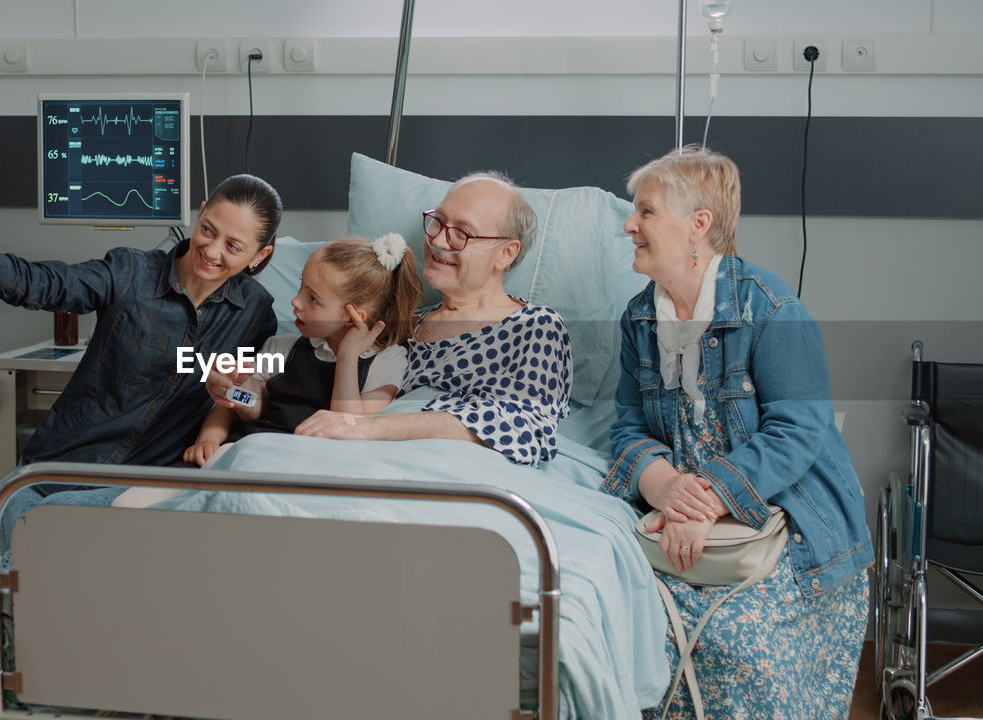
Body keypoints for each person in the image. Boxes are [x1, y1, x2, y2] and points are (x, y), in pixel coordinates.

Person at [600, 146, 871, 718]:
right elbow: (627, 426)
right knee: (632, 632)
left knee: (740, 648)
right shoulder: (639, 319)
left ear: (699, 223)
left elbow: (797, 432)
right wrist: (668, 489)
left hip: (788, 526)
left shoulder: (771, 307)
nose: (629, 224)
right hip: (686, 520)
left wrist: (706, 501)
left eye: (645, 211)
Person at [0, 174, 283, 555]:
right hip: (71, 460)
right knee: (15, 510)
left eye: (233, 246)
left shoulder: (256, 313)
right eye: (208, 230)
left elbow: (246, 398)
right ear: (199, 214)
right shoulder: (130, 272)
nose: (212, 250)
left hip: (154, 480)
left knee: (50, 520)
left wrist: (230, 391)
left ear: (259, 256)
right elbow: (43, 283)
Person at [286, 171, 573, 467]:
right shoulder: (401, 326)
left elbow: (527, 427)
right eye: (438, 221)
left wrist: (366, 428)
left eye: (461, 232)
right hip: (374, 462)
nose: (437, 239)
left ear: (506, 253)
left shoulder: (537, 326)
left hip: (465, 471)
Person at [181, 233, 423, 468]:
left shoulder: (388, 362)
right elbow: (245, 403)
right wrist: (212, 433)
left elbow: (350, 430)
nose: (295, 302)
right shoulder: (282, 347)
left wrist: (347, 357)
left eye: (313, 299)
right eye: (301, 287)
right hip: (250, 451)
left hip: (307, 466)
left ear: (352, 318)